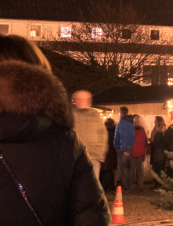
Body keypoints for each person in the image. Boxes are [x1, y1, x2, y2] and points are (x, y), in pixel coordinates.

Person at [0, 60, 111, 225]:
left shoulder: (82, 126)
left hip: (89, 155)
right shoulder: (65, 140)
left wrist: (99, 151)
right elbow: (90, 216)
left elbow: (102, 135)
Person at [72, 90, 109, 180]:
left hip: (93, 156)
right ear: (75, 100)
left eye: (87, 99)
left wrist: (102, 149)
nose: (85, 101)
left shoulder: (95, 114)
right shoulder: (70, 115)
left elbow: (102, 132)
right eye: (81, 99)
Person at [113, 106, 135, 192]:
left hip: (122, 149)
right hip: (126, 148)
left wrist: (126, 150)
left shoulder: (123, 123)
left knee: (123, 168)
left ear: (121, 113)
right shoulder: (130, 122)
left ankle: (125, 187)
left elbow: (123, 137)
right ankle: (127, 185)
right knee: (127, 168)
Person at [130, 115, 149, 192]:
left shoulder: (131, 130)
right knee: (139, 171)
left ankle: (134, 186)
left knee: (134, 171)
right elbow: (145, 141)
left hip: (134, 153)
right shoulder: (142, 130)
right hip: (139, 153)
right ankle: (139, 186)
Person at [101, 118, 118, 192]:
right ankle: (111, 186)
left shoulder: (105, 132)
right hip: (113, 154)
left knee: (105, 171)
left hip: (106, 154)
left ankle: (107, 187)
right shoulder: (115, 131)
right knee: (110, 171)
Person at [150, 119, 168, 189]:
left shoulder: (156, 135)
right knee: (160, 171)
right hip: (161, 156)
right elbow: (163, 145)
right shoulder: (161, 136)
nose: (165, 129)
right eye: (164, 128)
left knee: (157, 170)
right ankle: (159, 185)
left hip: (156, 156)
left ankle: (157, 185)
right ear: (161, 128)